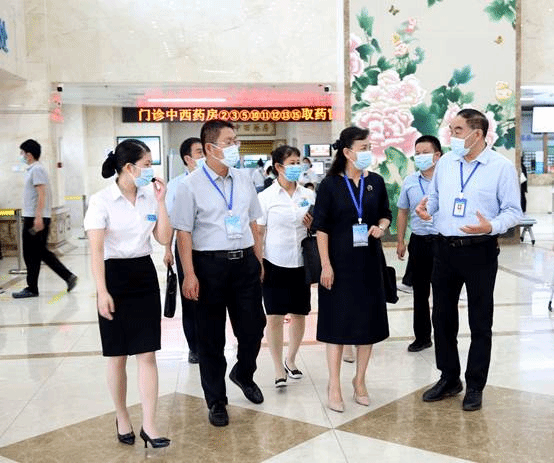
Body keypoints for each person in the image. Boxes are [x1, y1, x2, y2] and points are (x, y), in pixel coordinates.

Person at [416, 109, 522, 411]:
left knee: (480, 321)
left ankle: (475, 385)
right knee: (442, 318)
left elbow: (513, 211)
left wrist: (491, 226)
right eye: (451, 129)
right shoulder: (447, 163)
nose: (452, 136)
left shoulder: (501, 167)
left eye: (458, 130)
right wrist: (427, 209)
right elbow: (436, 198)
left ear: (477, 134)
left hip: (480, 251)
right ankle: (449, 377)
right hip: (444, 249)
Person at [172, 120, 266, 427]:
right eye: (229, 141)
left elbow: (253, 221)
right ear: (210, 148)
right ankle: (216, 400)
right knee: (210, 337)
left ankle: (244, 373)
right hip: (208, 266)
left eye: (236, 140)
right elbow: (183, 233)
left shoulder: (244, 179)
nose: (235, 146)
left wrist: (258, 259)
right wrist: (189, 274)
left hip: (245, 264)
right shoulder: (189, 185)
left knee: (253, 328)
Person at [84, 139, 172, 448]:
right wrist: (101, 291)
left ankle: (150, 425)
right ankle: (122, 415)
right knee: (117, 355)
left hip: (144, 276)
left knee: (147, 353)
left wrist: (162, 202)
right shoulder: (101, 201)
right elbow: (96, 251)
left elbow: (163, 238)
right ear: (128, 167)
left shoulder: (149, 197)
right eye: (147, 164)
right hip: (114, 277)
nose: (151, 170)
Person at [313, 126, 391, 413]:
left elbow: (385, 214)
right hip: (338, 264)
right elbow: (321, 228)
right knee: (336, 324)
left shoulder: (376, 182)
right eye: (363, 148)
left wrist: (381, 227)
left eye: (369, 147)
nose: (368, 152)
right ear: (347, 152)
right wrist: (325, 265)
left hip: (369, 263)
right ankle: (334, 384)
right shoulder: (330, 185)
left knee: (367, 324)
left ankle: (360, 380)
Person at [257, 145, 315, 388]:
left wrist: (312, 224)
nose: (297, 167)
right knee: (275, 317)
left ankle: (291, 359)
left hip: (301, 262)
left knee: (300, 314)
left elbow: (316, 229)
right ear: (279, 167)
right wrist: (258, 263)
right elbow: (259, 232)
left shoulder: (309, 194)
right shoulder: (265, 197)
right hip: (274, 262)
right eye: (292, 163)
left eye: (298, 162)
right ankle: (278, 368)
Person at [12, 139, 78, 299]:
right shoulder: (34, 169)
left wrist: (38, 217)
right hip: (35, 216)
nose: (21, 156)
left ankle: (34, 287)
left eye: (22, 153)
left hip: (35, 218)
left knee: (33, 253)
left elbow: (41, 194)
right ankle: (65, 277)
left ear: (29, 154)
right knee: (38, 252)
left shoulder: (37, 169)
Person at [396, 135, 442, 353]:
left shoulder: (447, 180)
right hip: (419, 242)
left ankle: (444, 336)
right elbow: (402, 211)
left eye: (425, 152)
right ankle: (422, 337)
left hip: (443, 242)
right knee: (420, 293)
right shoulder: (410, 181)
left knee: (443, 293)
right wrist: (401, 241)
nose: (420, 157)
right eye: (417, 153)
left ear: (437, 155)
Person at [163, 137, 205, 364]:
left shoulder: (212, 181)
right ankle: (194, 347)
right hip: (184, 248)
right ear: (188, 158)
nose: (204, 156)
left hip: (210, 249)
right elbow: (171, 220)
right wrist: (167, 249)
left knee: (211, 298)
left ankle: (210, 344)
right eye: (200, 152)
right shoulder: (176, 185)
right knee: (190, 299)